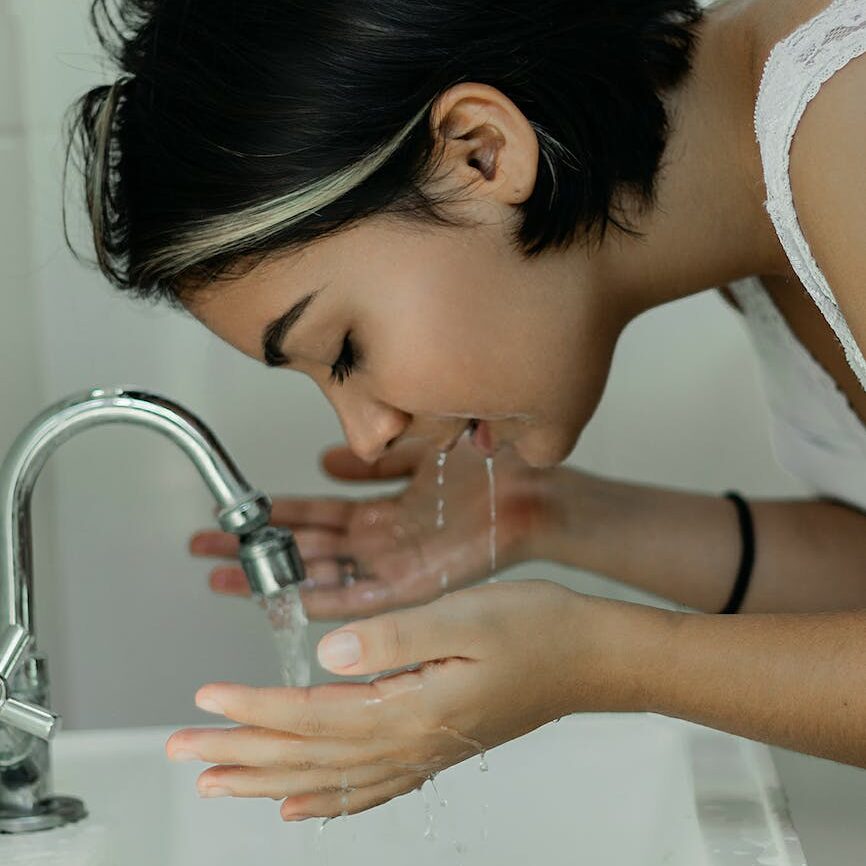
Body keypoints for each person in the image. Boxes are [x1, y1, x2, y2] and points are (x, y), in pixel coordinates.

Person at [65, 0, 866, 821]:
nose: (368, 438)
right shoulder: (756, 195)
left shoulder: (850, 116)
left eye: (345, 350)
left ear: (481, 153)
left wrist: (603, 661)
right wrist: (550, 516)